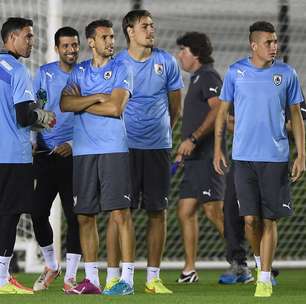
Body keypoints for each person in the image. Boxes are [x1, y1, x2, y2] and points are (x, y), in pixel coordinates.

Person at [214, 21, 305, 297]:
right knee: (250, 220)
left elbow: (296, 117)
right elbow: (222, 112)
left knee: (270, 219)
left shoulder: (287, 74)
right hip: (243, 158)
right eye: (269, 42)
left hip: (275, 159)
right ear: (254, 45)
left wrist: (302, 154)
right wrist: (218, 148)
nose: (274, 46)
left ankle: (264, 278)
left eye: (276, 42)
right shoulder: (235, 72)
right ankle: (258, 262)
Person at [106, 9, 183, 294]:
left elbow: (176, 107)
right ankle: (113, 277)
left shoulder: (167, 62)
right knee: (118, 212)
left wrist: (162, 131)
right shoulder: (116, 63)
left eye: (152, 25)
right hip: (122, 148)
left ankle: (153, 278)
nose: (151, 30)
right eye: (145, 26)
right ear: (129, 31)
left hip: (157, 148)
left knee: (157, 212)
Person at [60, 19, 135, 296]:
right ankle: (92, 280)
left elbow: (116, 107)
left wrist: (84, 101)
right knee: (84, 216)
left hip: (114, 148)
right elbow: (65, 103)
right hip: (83, 152)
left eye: (112, 37)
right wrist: (97, 98)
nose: (110, 41)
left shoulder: (121, 67)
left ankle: (125, 279)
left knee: (119, 213)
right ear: (91, 42)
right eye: (104, 37)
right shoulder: (79, 70)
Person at [0, 17, 56, 294]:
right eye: (28, 36)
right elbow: (24, 117)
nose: (32, 42)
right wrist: (43, 116)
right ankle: (2, 278)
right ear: (11, 38)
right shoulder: (17, 70)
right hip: (12, 155)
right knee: (9, 215)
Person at [31, 26, 82, 292]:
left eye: (75, 45)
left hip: (76, 156)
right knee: (38, 211)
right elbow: (37, 111)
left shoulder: (86, 73)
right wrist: (33, 142)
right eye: (66, 46)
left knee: (76, 216)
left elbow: (95, 118)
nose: (71, 50)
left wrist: (73, 144)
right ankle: (52, 264)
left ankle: (71, 276)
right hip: (45, 155)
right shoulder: (44, 73)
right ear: (56, 48)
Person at [174, 32, 225, 283]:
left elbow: (218, 110)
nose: (179, 55)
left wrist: (193, 139)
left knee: (214, 211)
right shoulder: (196, 78)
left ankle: (250, 262)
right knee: (185, 210)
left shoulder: (208, 76)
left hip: (207, 156)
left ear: (195, 53)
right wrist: (186, 149)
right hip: (194, 159)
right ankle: (190, 269)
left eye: (183, 50)